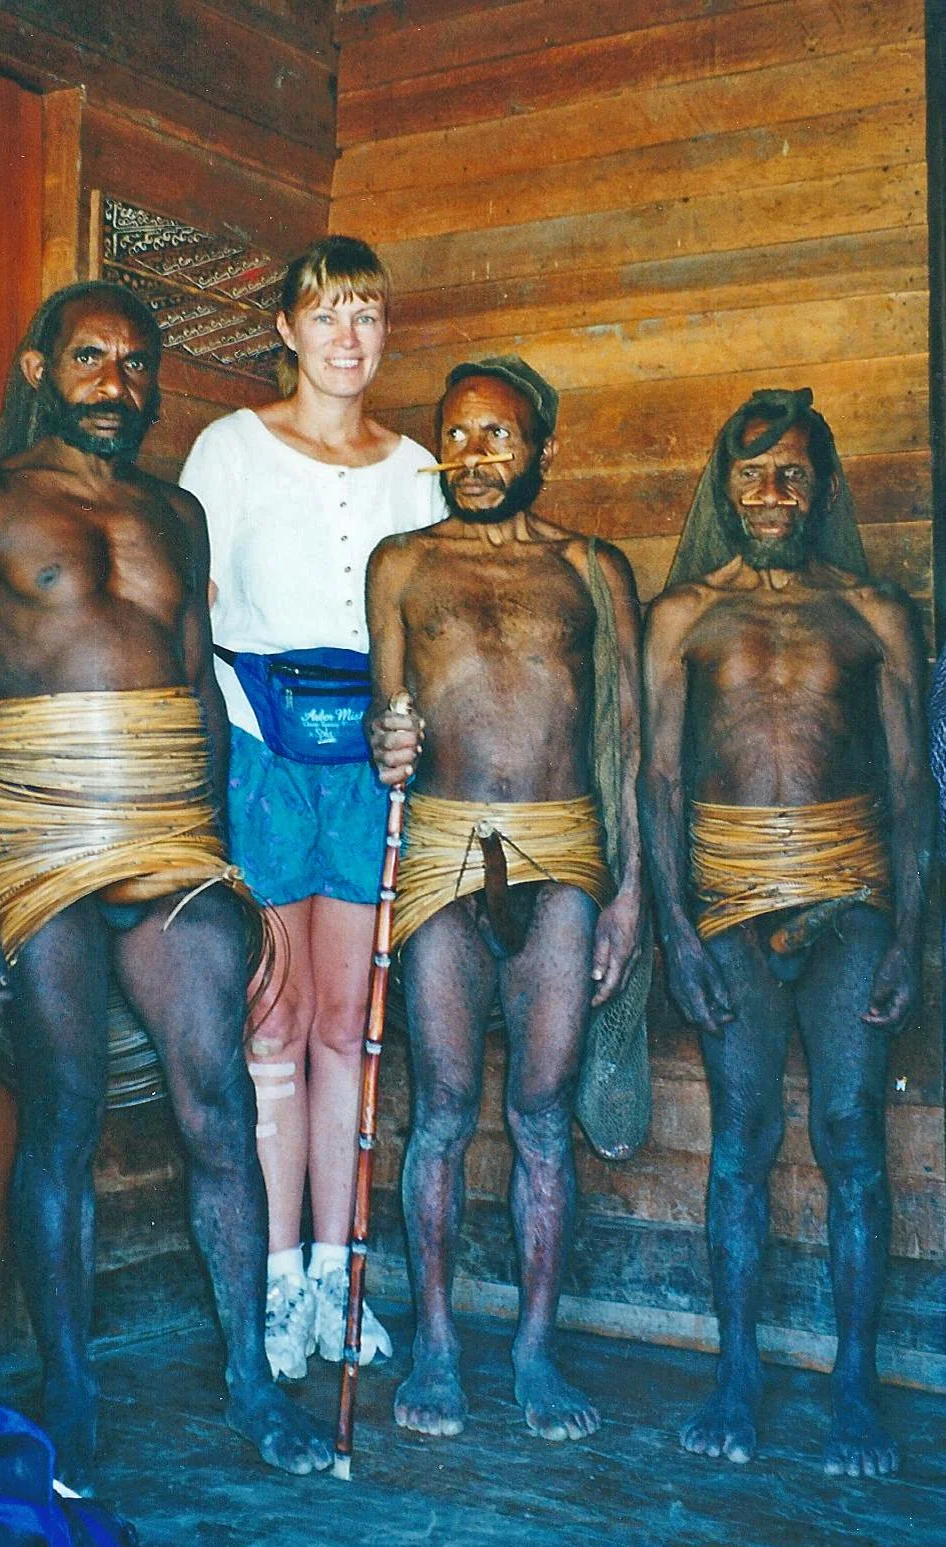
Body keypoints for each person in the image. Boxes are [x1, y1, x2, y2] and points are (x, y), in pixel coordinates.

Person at [0, 280, 333, 1491]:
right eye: (93, 356)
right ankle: (72, 1390)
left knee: (215, 1102)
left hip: (171, 842)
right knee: (63, 1114)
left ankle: (251, 1380)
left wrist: (223, 856)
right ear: (43, 368)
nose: (120, 380)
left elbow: (203, 692)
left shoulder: (181, 514)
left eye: (138, 361)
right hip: (41, 841)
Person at [639, 388, 932, 1478]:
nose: (770, 493)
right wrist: (672, 926)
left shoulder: (873, 611)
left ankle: (851, 1383)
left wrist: (908, 934)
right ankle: (735, 1372)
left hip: (848, 896)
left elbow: (909, 782)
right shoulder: (680, 615)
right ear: (725, 486)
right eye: (752, 473)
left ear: (820, 487)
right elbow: (656, 776)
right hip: (723, 903)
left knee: (852, 1135)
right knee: (741, 1137)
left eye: (792, 474)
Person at [365, 356, 648, 1442]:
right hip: (441, 849)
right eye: (458, 433)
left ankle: (534, 1347)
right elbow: (386, 712)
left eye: (498, 435)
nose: (474, 454)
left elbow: (621, 739)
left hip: (561, 852)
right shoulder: (402, 564)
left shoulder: (589, 565)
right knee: (437, 1109)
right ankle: (434, 1338)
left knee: (539, 1110)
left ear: (541, 449)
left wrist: (622, 897)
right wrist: (386, 739)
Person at [179, 236, 445, 1382]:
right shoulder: (228, 449)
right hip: (262, 746)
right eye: (326, 315)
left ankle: (342, 1285)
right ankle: (277, 1283)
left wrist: (409, 723)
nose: (348, 338)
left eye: (367, 317)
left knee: (347, 1025)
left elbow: (434, 625)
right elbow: (194, 610)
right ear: (284, 330)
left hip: (369, 758)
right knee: (272, 1025)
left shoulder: (417, 468)